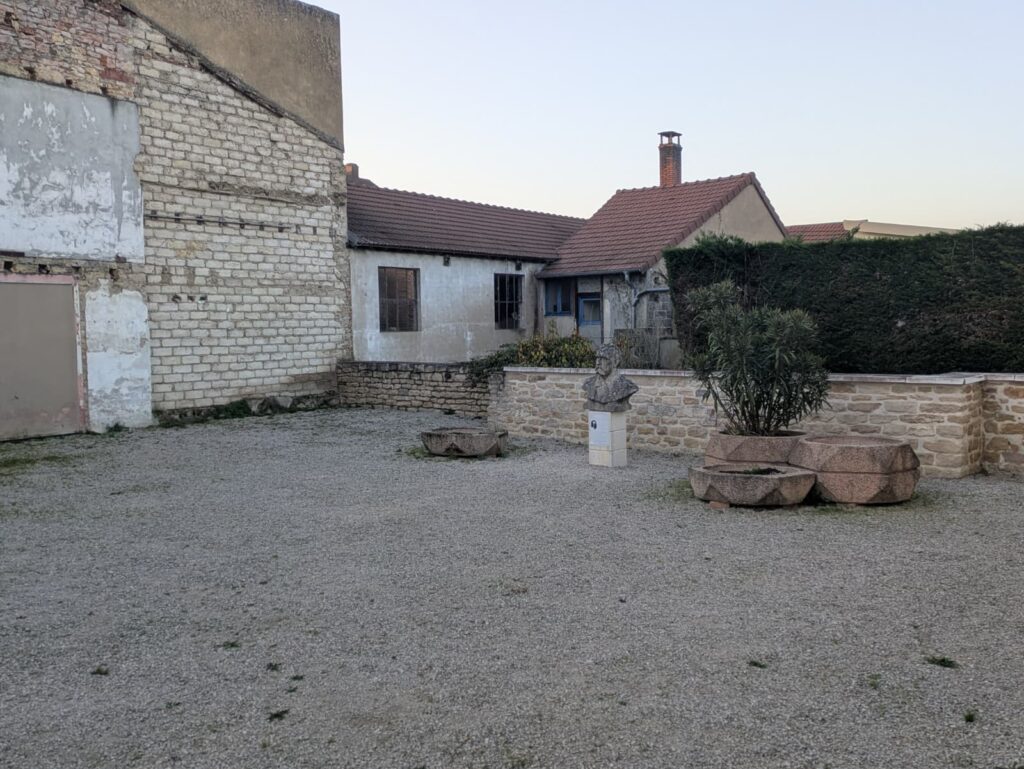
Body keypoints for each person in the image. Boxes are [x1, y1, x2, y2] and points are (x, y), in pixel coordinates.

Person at [582, 344, 638, 412]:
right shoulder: (589, 384)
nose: (598, 363)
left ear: (615, 362)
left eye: (603, 359)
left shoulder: (627, 386)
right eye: (597, 358)